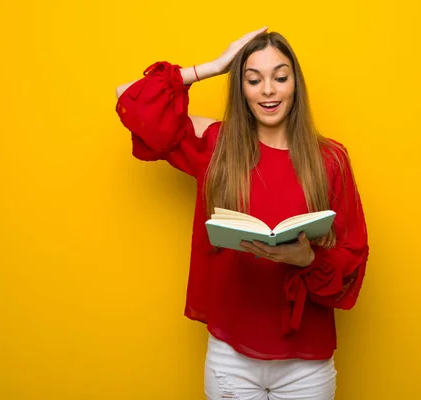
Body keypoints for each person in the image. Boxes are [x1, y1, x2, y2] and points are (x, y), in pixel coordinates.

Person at [115, 27, 370, 400]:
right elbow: (131, 100)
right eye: (253, 79)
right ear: (241, 88)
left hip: (306, 364)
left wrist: (309, 259)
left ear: (295, 85)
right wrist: (214, 66)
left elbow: (354, 253)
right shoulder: (216, 145)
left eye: (280, 78)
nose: (268, 90)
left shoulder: (330, 159)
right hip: (230, 357)